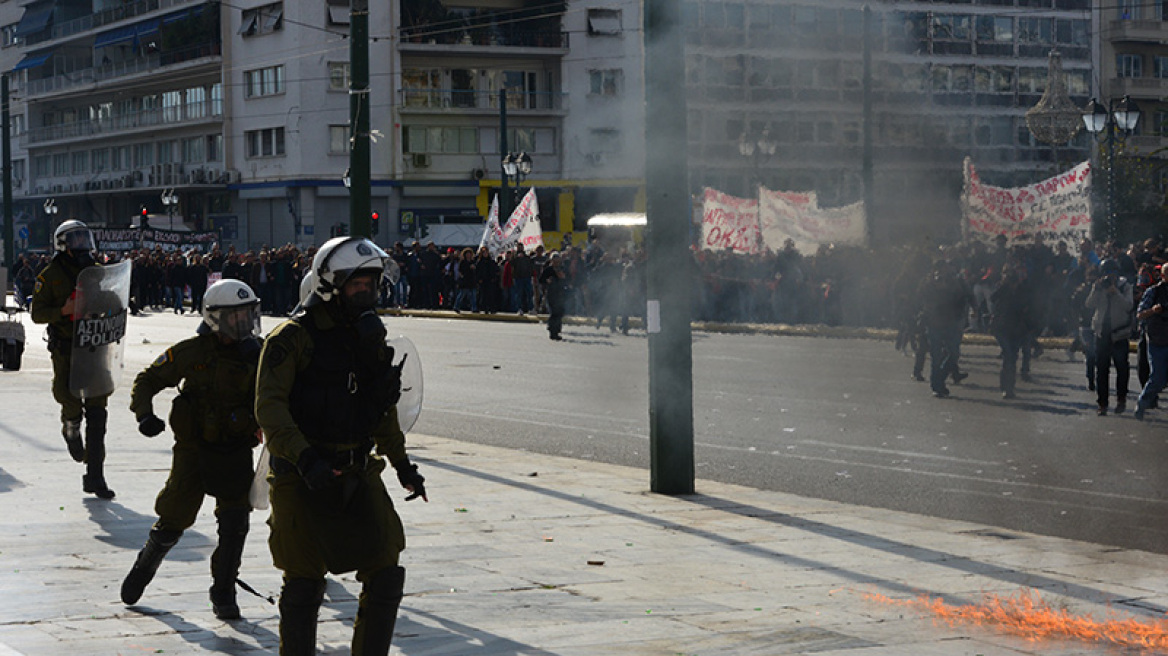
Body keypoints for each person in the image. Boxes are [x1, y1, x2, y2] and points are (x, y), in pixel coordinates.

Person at [255, 236, 426, 656]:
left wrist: (402, 464)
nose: (367, 292)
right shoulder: (291, 338)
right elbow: (270, 410)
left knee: (386, 571)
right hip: (302, 475)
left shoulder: (367, 339)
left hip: (356, 470)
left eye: (372, 283)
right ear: (330, 285)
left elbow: (381, 405)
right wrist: (305, 457)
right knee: (303, 583)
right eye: (357, 285)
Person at [120, 279, 264, 619]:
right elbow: (147, 380)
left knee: (235, 523)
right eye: (235, 317)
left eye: (247, 315)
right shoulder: (191, 352)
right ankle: (145, 566)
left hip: (236, 450)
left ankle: (224, 592)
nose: (243, 324)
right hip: (194, 452)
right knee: (174, 517)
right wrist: (144, 416)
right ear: (215, 318)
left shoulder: (259, 356)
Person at [30, 219, 115, 499]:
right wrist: (64, 310)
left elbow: (113, 299)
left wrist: (113, 308)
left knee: (98, 414)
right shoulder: (50, 275)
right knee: (67, 395)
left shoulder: (98, 271)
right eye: (75, 239)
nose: (82, 244)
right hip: (66, 347)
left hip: (94, 346)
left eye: (84, 238)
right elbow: (37, 313)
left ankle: (95, 476)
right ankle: (70, 426)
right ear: (63, 245)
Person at [1085, 259, 1133, 416]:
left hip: (1119, 333)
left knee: (1122, 368)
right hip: (1102, 333)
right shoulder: (1098, 286)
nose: (1108, 277)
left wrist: (1115, 292)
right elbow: (1089, 305)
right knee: (1102, 370)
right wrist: (1097, 289)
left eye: (1111, 273)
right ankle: (1102, 403)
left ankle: (1121, 398)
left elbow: (1128, 306)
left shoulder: (1125, 286)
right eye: (1106, 273)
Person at [1135, 263, 1168, 420]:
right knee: (1157, 378)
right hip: (1158, 340)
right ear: (1163, 276)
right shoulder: (1153, 292)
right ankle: (1142, 403)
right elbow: (1140, 314)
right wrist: (1153, 310)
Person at [541, 252, 567, 341]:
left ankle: (556, 329)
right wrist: (547, 280)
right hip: (551, 293)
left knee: (560, 312)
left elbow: (567, 278)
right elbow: (541, 279)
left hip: (561, 293)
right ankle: (553, 331)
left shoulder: (562, 268)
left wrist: (563, 277)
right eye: (555, 260)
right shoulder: (548, 269)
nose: (556, 262)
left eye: (558, 261)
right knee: (554, 312)